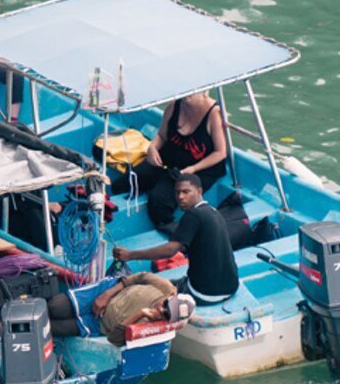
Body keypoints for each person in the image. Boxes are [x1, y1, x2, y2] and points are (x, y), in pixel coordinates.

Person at [113, 173, 240, 305]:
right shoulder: (213, 211)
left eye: (186, 192)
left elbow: (170, 250)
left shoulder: (193, 215)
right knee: (172, 282)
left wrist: (130, 255)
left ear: (199, 191)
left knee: (143, 293)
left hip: (204, 293)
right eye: (177, 192)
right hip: (230, 287)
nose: (180, 197)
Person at [129, 90, 230, 228]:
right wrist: (152, 148)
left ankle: (171, 230)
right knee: (129, 179)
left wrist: (193, 169)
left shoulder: (214, 114)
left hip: (199, 169)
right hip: (169, 159)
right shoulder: (174, 105)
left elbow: (221, 152)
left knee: (158, 200)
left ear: (205, 91)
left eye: (193, 89)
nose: (187, 93)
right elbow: (162, 136)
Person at [92, 270, 193, 345]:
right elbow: (141, 276)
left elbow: (114, 339)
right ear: (171, 295)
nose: (161, 310)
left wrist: (140, 314)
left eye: (166, 314)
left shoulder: (149, 326)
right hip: (107, 292)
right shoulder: (166, 287)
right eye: (166, 304)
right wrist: (107, 294)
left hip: (98, 323)